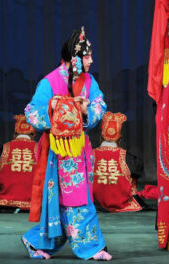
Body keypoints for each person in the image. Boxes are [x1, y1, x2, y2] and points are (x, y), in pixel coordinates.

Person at [21, 27, 111, 260]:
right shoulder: (49, 82)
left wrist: (85, 111)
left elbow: (100, 104)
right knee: (67, 201)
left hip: (80, 149)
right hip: (56, 154)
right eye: (87, 56)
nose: (91, 60)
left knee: (76, 199)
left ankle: (35, 240)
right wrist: (53, 107)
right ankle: (92, 247)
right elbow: (31, 112)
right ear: (75, 58)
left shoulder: (89, 81)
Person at [93, 111, 146, 212]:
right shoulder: (129, 158)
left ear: (100, 138)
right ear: (120, 140)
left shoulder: (90, 156)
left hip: (96, 205)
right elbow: (138, 171)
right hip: (124, 204)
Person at [0, 114, 37, 212]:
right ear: (33, 135)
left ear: (15, 134)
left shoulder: (4, 148)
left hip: (6, 200)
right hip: (35, 201)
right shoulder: (40, 148)